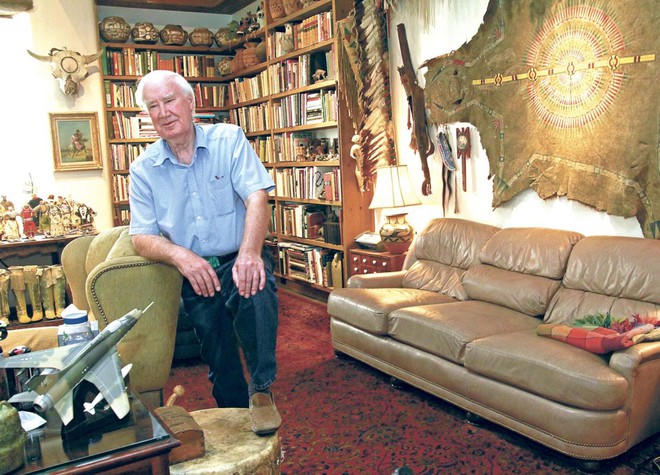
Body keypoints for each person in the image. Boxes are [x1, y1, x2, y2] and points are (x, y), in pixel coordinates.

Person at [128, 70, 280, 436]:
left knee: (255, 289)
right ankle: (233, 413)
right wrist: (182, 257)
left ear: (191, 102)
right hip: (195, 270)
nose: (163, 112)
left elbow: (256, 196)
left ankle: (261, 389)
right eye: (153, 106)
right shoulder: (143, 169)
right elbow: (141, 236)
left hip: (237, 256)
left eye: (169, 101)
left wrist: (250, 253)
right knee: (219, 356)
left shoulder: (229, 140)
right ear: (147, 115)